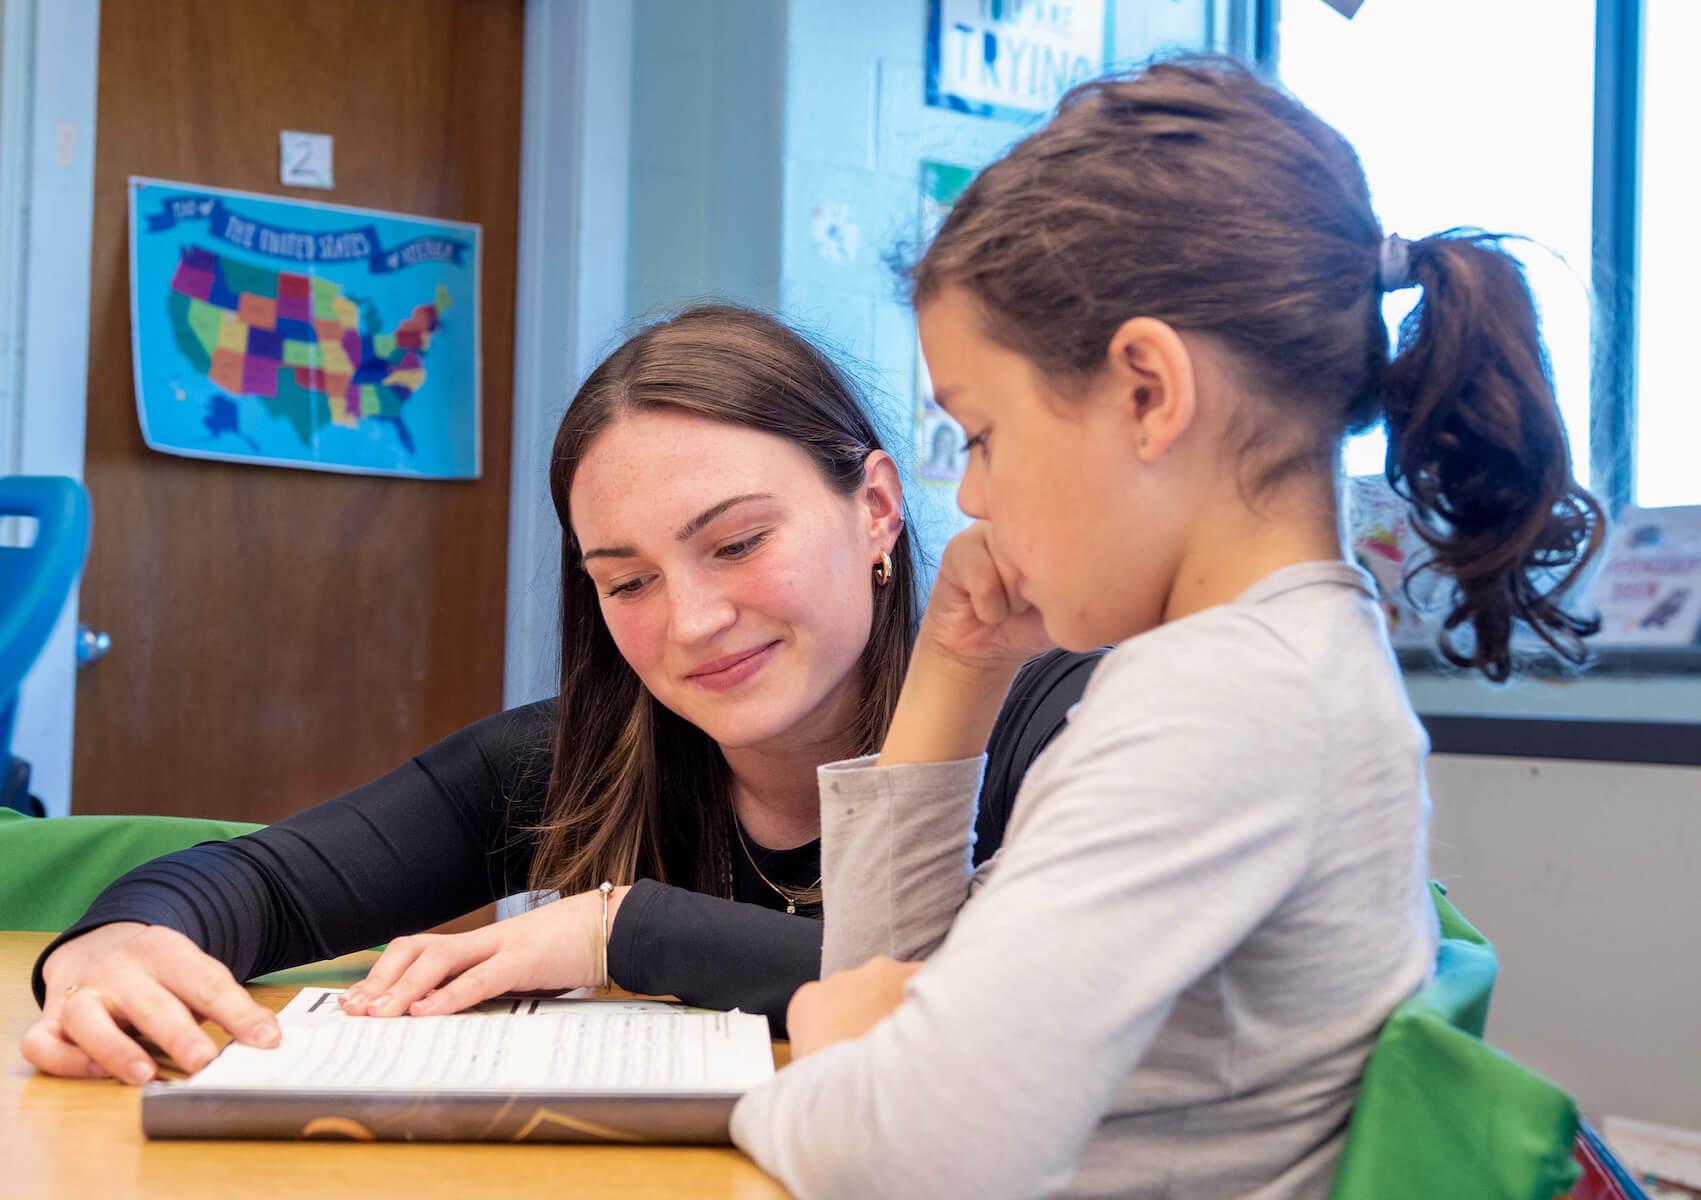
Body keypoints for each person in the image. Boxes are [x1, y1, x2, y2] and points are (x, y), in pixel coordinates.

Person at [729, 56, 1604, 1199]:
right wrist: (953, 668)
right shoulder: (1277, 667)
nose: (975, 498)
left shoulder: (1220, 709)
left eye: (982, 434)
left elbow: (909, 1150)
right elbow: (904, 984)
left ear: (1147, 391)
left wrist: (813, 1054)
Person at [21, 305, 1104, 1086]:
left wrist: (621, 931)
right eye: (627, 580)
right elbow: (263, 884)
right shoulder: (575, 761)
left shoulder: (1052, 716)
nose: (689, 622)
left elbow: (994, 1000)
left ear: (875, 508)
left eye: (737, 543)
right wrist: (111, 944)